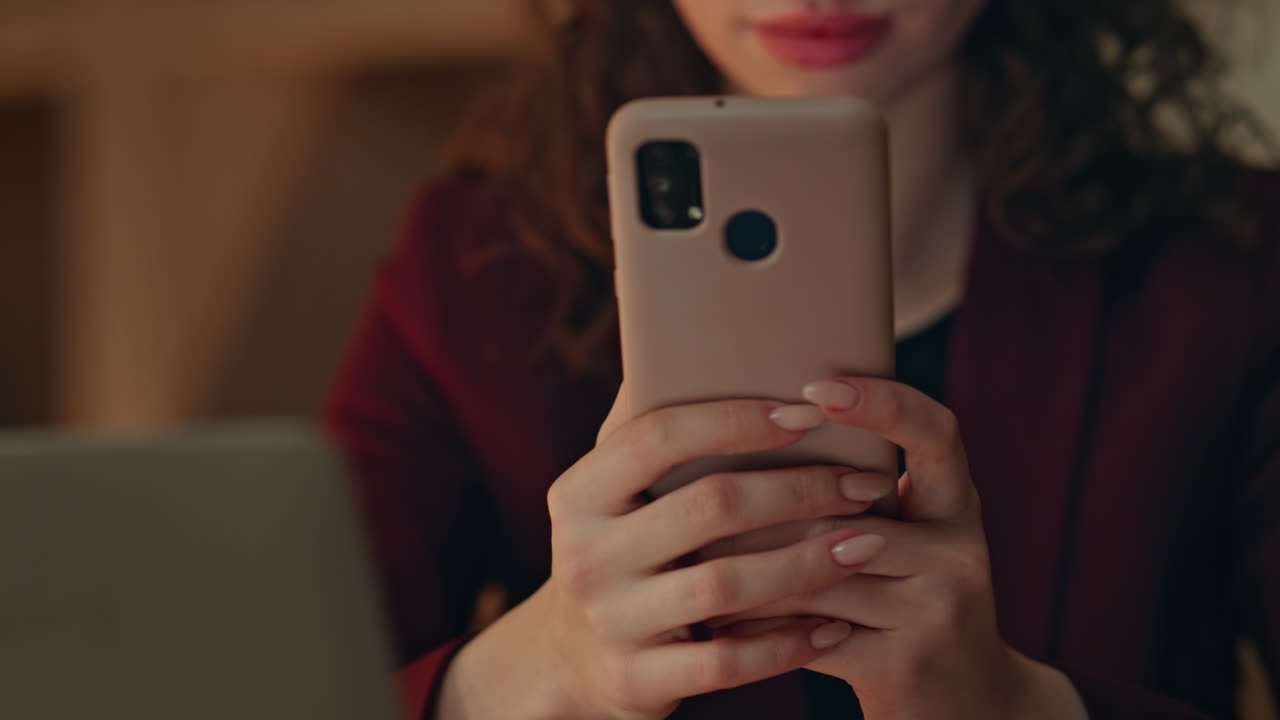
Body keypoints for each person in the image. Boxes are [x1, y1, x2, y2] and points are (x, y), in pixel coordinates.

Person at [325, 1, 1280, 718]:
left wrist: (1024, 709)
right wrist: (521, 679)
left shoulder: (1237, 264)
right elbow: (282, 674)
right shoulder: (470, 267)